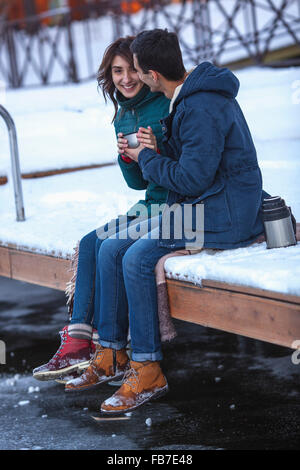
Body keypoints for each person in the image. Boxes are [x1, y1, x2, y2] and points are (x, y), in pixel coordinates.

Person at [72, 28, 268, 415]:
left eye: (138, 71)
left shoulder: (200, 106)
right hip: (207, 204)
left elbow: (192, 179)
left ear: (151, 74)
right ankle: (112, 352)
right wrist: (153, 150)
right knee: (112, 246)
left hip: (224, 213)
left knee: (138, 257)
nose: (135, 79)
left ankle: (147, 367)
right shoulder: (189, 100)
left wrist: (147, 156)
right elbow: (193, 169)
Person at [32, 36, 170, 383]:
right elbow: (138, 183)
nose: (126, 79)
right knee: (90, 241)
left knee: (110, 247)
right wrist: (127, 159)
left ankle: (109, 347)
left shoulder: (165, 103)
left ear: (145, 71)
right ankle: (79, 340)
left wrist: (156, 149)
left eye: (131, 70)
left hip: (174, 207)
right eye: (117, 71)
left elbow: (185, 166)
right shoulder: (122, 115)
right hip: (150, 203)